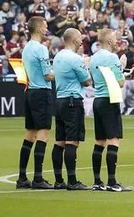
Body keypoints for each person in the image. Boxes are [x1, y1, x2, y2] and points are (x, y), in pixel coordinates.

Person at [89, 29, 131, 191]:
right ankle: (112, 182)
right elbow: (120, 82)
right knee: (113, 139)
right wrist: (122, 67)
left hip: (98, 99)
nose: (116, 40)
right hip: (109, 99)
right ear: (108, 41)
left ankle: (97, 181)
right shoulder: (112, 57)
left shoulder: (94, 58)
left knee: (100, 141)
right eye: (114, 38)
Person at [52, 27, 92, 190]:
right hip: (72, 101)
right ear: (74, 40)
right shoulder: (75, 59)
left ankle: (59, 180)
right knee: (72, 141)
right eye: (80, 38)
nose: (82, 41)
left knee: (59, 141)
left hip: (60, 99)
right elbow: (87, 81)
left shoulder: (58, 56)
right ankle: (72, 181)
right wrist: (86, 65)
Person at [17, 16, 55, 190]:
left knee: (29, 133)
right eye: (45, 26)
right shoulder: (41, 49)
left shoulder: (26, 49)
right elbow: (48, 75)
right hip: (41, 92)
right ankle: (38, 178)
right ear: (39, 29)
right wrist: (62, 70)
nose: (47, 28)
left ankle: (22, 177)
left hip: (30, 91)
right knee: (43, 132)